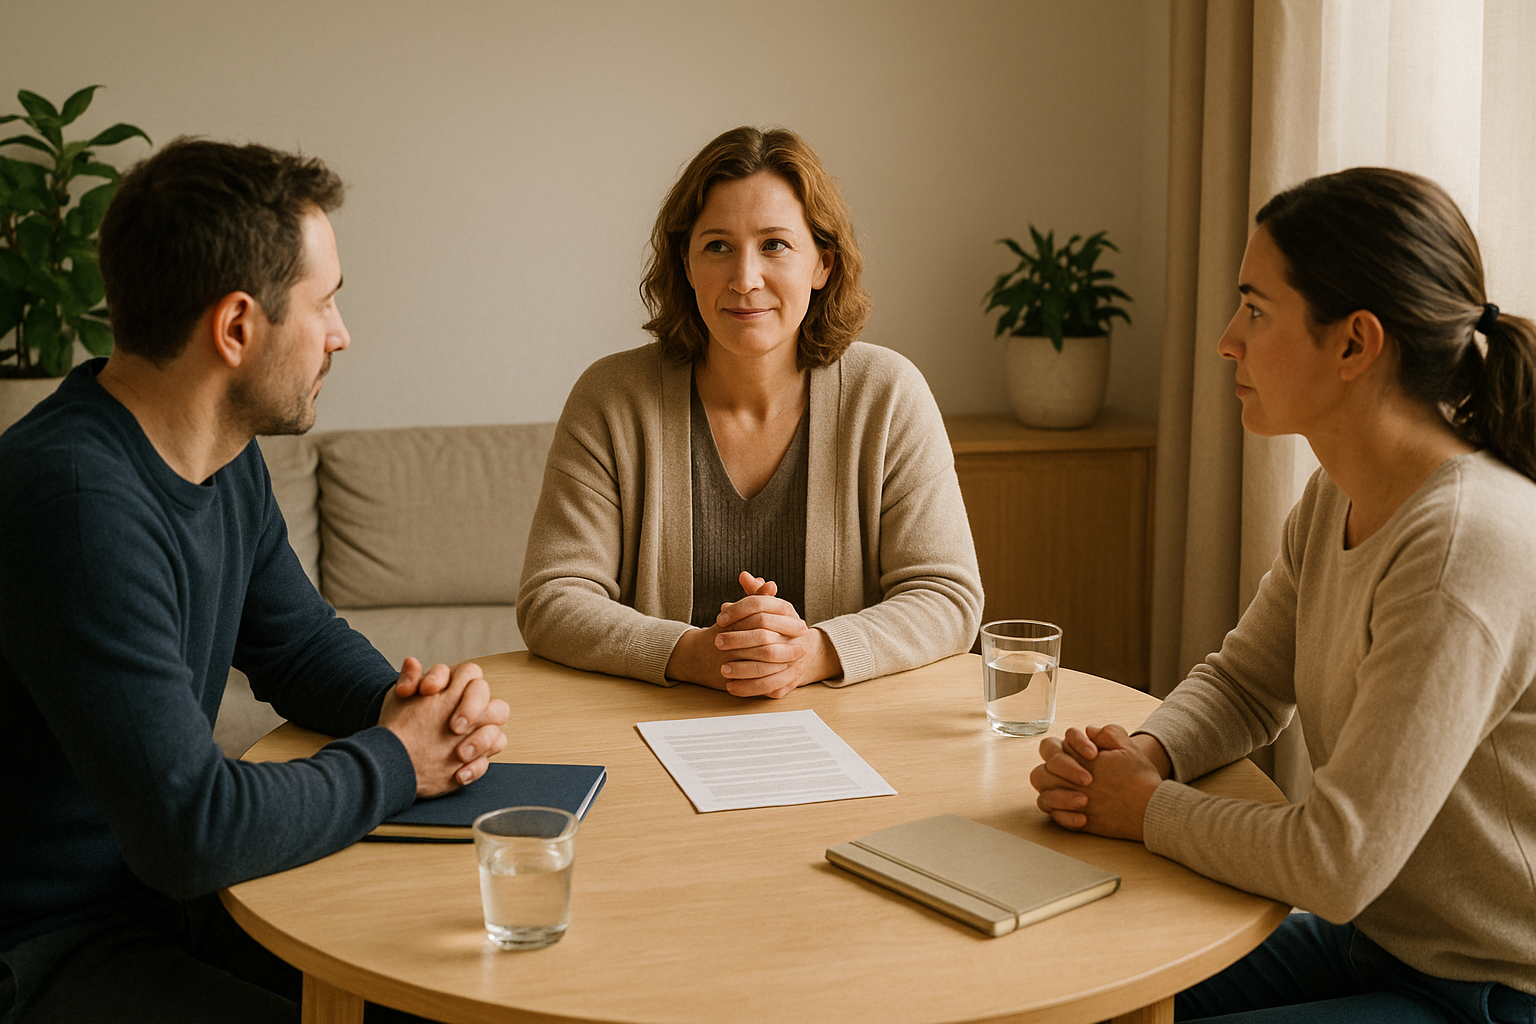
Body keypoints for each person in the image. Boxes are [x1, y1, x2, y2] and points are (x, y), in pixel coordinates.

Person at [0, 139, 510, 1024]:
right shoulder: (77, 504)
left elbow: (297, 644)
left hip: (172, 905)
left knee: (454, 996)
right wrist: (398, 758)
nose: (342, 333)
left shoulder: (220, 455)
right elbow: (191, 827)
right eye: (326, 303)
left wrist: (418, 708)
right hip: (47, 946)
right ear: (237, 328)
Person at [1030, 167, 1536, 1023]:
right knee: (1070, 997)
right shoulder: (1339, 493)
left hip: (1486, 989)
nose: (1227, 340)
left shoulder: (1461, 546)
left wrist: (1148, 809)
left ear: (1354, 344)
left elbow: (1335, 860)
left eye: (1256, 311)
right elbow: (1243, 684)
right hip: (1370, 939)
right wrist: (1145, 756)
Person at [517, 126, 982, 697]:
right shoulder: (610, 398)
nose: (744, 279)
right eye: (717, 245)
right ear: (687, 265)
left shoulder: (888, 395)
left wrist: (811, 653)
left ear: (823, 265)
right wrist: (692, 654)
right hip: (650, 734)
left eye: (775, 245)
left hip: (852, 737)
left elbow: (947, 597)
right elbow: (552, 598)